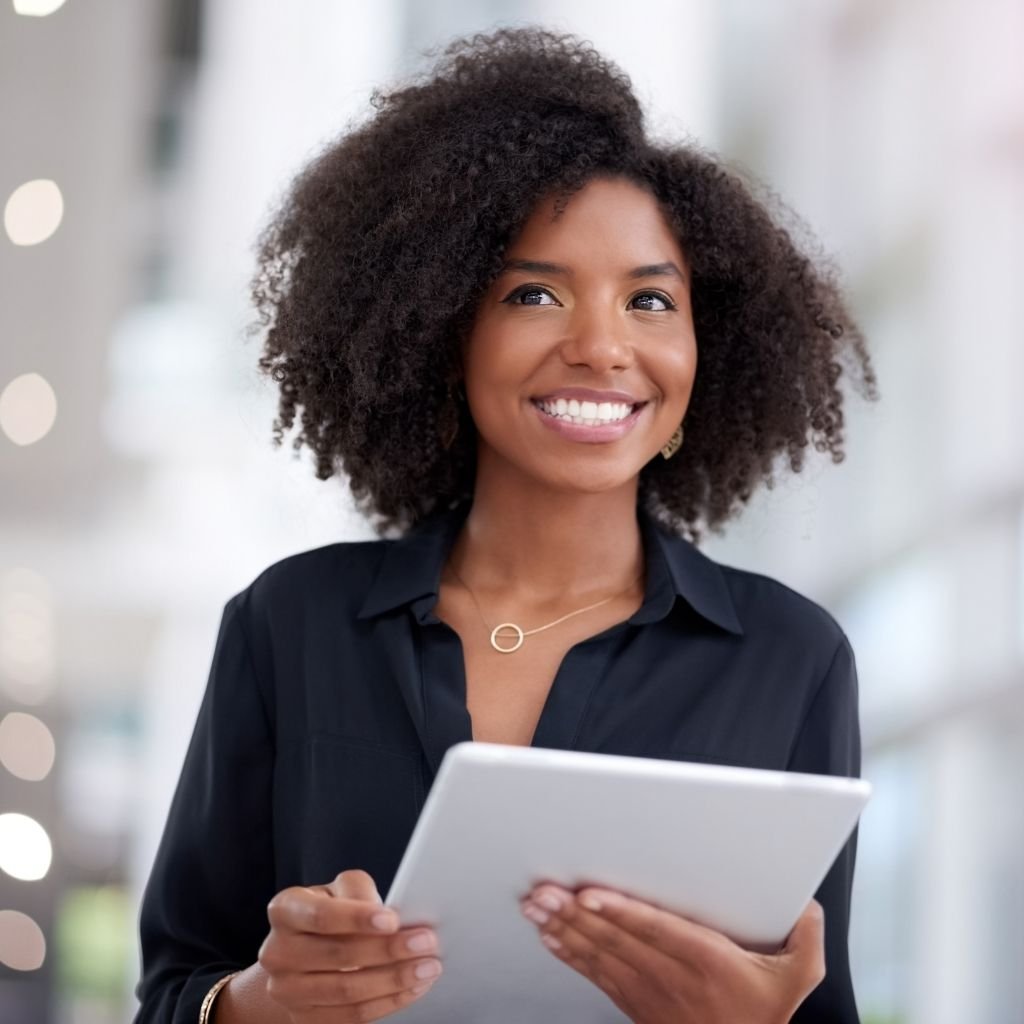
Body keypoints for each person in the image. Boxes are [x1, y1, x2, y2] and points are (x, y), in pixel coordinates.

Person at [133, 26, 877, 1024]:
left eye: (650, 300)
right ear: (441, 326)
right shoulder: (290, 623)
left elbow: (814, 1002)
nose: (602, 345)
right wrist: (261, 1001)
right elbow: (175, 986)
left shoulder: (790, 658)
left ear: (710, 349)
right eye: (534, 292)